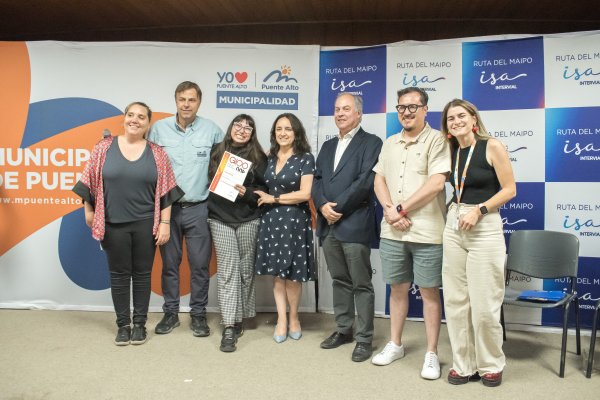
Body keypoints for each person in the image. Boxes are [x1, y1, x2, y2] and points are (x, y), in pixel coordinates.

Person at [73, 102, 183, 346]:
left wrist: (165, 223)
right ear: (124, 119)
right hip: (113, 223)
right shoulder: (104, 147)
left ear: (148, 123)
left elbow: (166, 192)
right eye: (130, 115)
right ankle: (123, 325)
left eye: (141, 116)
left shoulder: (157, 153)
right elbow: (88, 181)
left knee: (143, 275)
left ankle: (139, 325)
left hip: (146, 224)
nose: (135, 120)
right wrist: (88, 210)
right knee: (119, 275)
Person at [370, 87, 450, 379]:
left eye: (413, 107)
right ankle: (396, 344)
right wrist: (391, 210)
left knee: (429, 292)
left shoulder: (438, 140)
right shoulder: (390, 142)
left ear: (425, 109)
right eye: (402, 107)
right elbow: (379, 179)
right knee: (397, 288)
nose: (406, 112)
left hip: (427, 232)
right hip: (392, 231)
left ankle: (431, 352)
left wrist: (400, 210)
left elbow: (436, 184)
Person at [441, 99, 516, 387]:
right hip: (454, 224)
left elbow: (510, 189)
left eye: (461, 116)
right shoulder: (451, 151)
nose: (456, 121)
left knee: (485, 305)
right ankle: (464, 364)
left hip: (484, 224)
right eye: (450, 119)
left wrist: (480, 209)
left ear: (473, 118)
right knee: (457, 302)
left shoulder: (491, 146)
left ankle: (491, 364)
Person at [148, 81, 224, 337]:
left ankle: (198, 315)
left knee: (200, 265)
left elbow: (224, 169)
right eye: (182, 99)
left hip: (199, 209)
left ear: (199, 102)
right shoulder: (158, 130)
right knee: (170, 265)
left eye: (191, 100)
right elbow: (149, 168)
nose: (186, 104)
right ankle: (170, 313)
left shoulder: (212, 131)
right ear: (176, 101)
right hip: (168, 210)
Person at [313, 93, 382, 362]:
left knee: (361, 283)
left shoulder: (372, 143)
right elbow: (317, 180)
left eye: (346, 109)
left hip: (353, 223)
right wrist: (322, 207)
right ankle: (343, 329)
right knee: (339, 280)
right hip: (328, 225)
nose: (340, 113)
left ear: (359, 114)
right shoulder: (328, 146)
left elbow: (365, 182)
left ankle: (364, 338)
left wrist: (336, 209)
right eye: (337, 109)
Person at [207, 114, 268, 352]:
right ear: (230, 127)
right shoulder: (216, 152)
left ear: (252, 133)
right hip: (220, 218)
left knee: (244, 271)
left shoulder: (260, 158)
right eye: (238, 125)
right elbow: (207, 181)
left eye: (248, 127)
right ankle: (229, 325)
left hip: (248, 220)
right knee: (228, 271)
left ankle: (241, 316)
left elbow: (264, 191)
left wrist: (247, 192)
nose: (242, 130)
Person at [255, 113, 315, 343]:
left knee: (293, 275)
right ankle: (281, 319)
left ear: (296, 133)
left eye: (288, 129)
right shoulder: (268, 157)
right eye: (279, 129)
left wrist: (275, 199)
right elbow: (259, 185)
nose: (283, 133)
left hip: (294, 221)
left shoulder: (305, 158)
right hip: (271, 221)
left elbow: (305, 193)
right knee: (278, 275)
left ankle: (294, 318)